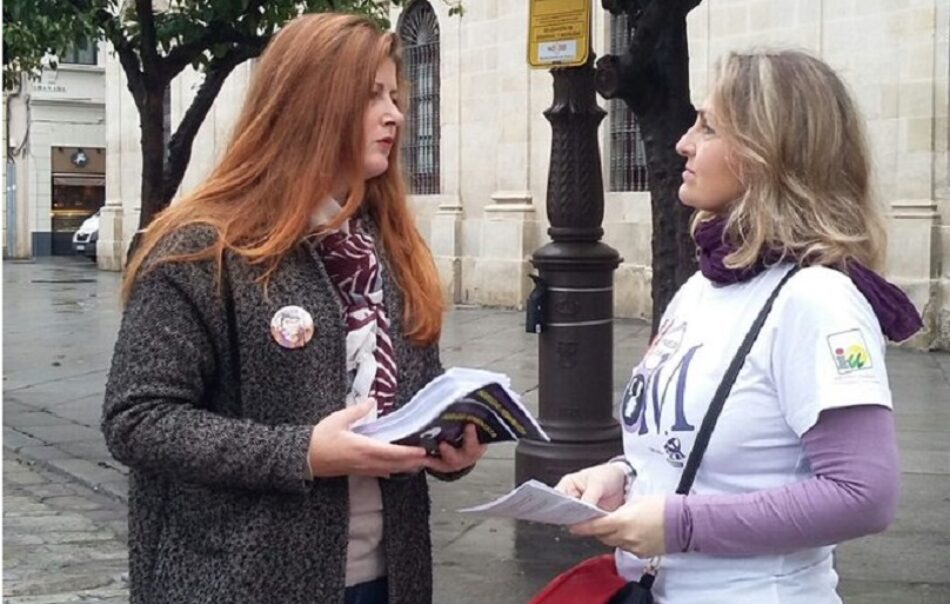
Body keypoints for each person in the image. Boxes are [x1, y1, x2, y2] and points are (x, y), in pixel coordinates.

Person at [102, 13, 485, 604]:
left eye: (394, 95)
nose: (395, 115)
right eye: (371, 96)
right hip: (242, 580)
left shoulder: (386, 246)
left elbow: (415, 390)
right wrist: (301, 453)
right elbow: (139, 419)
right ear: (310, 105)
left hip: (388, 577)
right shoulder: (200, 249)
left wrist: (448, 443)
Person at [554, 49, 919, 603]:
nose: (684, 142)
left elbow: (864, 494)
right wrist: (621, 474)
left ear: (768, 152)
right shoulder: (704, 284)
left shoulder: (817, 299)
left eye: (709, 126)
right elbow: (697, 445)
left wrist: (683, 525)